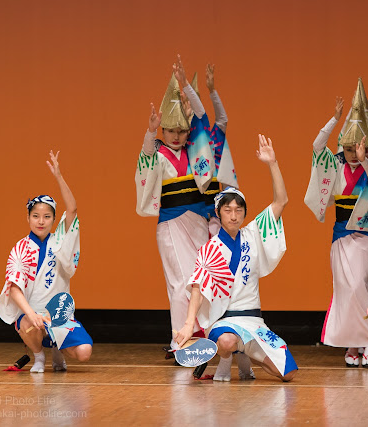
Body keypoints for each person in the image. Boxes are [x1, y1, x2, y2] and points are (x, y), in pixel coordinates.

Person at [135, 56, 242, 365]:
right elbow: (144, 158)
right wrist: (149, 130)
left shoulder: (199, 150)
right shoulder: (159, 153)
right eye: (170, 130)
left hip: (200, 223)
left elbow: (212, 120)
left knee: (198, 280)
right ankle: (184, 339)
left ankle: (190, 336)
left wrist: (192, 88)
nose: (177, 136)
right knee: (181, 281)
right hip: (171, 224)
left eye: (182, 130)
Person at [175, 135, 297, 382]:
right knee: (227, 340)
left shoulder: (253, 233)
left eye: (238, 210)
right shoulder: (210, 248)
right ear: (218, 213)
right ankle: (228, 354)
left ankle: (245, 353)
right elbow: (198, 288)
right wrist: (189, 325)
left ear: (244, 213)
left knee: (288, 374)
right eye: (227, 210)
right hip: (225, 322)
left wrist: (272, 163)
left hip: (254, 321)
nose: (233, 215)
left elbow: (281, 201)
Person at [304, 91, 368, 367]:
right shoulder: (336, 166)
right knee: (347, 289)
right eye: (348, 149)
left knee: (358, 286)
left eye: (360, 149)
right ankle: (355, 342)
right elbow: (318, 147)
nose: (353, 155)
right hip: (342, 234)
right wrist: (335, 119)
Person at [0, 151, 92, 373]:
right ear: (28, 218)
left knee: (84, 352)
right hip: (33, 315)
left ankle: (58, 351)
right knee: (29, 324)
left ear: (53, 219)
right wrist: (32, 314)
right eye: (36, 216)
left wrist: (58, 175)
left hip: (58, 315)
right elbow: (13, 289)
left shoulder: (60, 240)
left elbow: (72, 209)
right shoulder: (20, 248)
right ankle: (39, 357)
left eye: (47, 216)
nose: (41, 221)